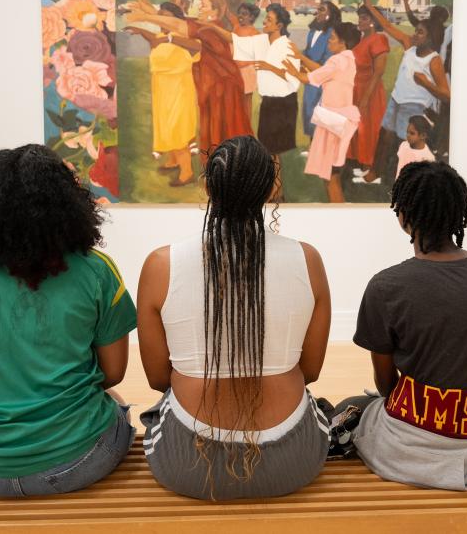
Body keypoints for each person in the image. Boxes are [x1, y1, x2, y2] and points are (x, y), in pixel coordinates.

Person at [0, 144, 137, 497]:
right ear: (68, 206)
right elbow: (112, 373)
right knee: (116, 404)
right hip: (74, 464)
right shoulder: (96, 271)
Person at [135, 135, 331, 500]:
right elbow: (312, 371)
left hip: (188, 466)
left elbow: (158, 378)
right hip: (293, 461)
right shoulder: (308, 260)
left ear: (207, 185)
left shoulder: (161, 265)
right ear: (272, 188)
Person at [339, 161, 467, 491]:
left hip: (408, 451)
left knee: (350, 408)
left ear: (403, 216)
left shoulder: (386, 287)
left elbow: (385, 384)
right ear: (459, 213)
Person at [126, 0, 253, 163]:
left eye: (204, 4)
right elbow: (174, 20)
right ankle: (219, 169)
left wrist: (145, 17)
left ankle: (230, 169)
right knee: (213, 130)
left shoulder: (210, 28)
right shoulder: (204, 24)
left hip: (223, 87)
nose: (199, 6)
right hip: (213, 87)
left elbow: (177, 25)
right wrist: (147, 13)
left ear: (215, 10)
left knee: (225, 130)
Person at [357, 0, 450, 185]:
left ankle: (401, 181)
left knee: (404, 143)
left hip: (415, 106)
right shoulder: (409, 46)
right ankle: (374, 174)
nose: (415, 35)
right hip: (396, 100)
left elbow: (446, 94)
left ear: (431, 38)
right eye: (415, 31)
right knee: (385, 136)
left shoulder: (433, 60)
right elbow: (388, 26)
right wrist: (369, 5)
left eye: (420, 33)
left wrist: (426, 84)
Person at [206, 3, 299, 201]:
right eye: (265, 18)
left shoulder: (288, 47)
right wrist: (213, 28)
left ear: (279, 25)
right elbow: (234, 39)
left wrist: (269, 67)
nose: (264, 22)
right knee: (269, 149)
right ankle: (276, 190)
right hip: (269, 102)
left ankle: (276, 191)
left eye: (269, 20)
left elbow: (294, 79)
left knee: (273, 149)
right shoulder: (261, 40)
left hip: (283, 104)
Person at [285, 22, 361, 203]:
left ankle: (338, 210)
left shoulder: (336, 60)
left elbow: (308, 78)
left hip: (332, 123)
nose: (329, 41)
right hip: (340, 120)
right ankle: (338, 207)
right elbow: (322, 72)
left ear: (342, 42)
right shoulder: (347, 59)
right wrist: (301, 58)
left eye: (332, 38)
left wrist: (292, 71)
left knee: (330, 175)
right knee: (331, 173)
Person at [125, 2, 200, 186]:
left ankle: (187, 172)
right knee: (166, 126)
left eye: (165, 17)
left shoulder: (182, 37)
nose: (161, 21)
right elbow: (155, 39)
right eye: (160, 16)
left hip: (179, 88)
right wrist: (140, 30)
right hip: (162, 88)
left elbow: (197, 47)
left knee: (178, 128)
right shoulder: (163, 35)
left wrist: (169, 39)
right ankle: (173, 160)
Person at [348, 5, 390, 179]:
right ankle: (359, 161)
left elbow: (378, 71)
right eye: (360, 17)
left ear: (374, 22)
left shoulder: (378, 39)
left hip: (370, 90)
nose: (360, 21)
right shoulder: (361, 39)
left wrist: (365, 98)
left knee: (369, 128)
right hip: (356, 88)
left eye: (364, 18)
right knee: (357, 127)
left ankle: (370, 165)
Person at [300, 1, 342, 149]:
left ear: (330, 15)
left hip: (323, 78)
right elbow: (306, 51)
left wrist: (308, 65)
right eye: (318, 9)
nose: (318, 12)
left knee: (320, 113)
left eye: (322, 10)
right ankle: (312, 148)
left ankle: (321, 150)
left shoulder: (331, 33)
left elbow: (327, 59)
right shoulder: (312, 32)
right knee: (308, 111)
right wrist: (301, 64)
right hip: (310, 77)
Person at [230, 2, 263, 115]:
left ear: (252, 17)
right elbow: (229, 15)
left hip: (247, 71)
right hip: (234, 70)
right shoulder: (236, 27)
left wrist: (244, 62)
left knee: (246, 100)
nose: (240, 16)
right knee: (234, 101)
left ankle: (246, 127)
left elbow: (259, 55)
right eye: (239, 13)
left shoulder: (255, 33)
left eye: (244, 14)